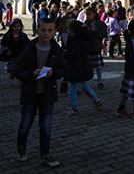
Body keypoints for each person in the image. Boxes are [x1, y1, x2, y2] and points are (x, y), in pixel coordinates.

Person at [15, 17, 65, 168]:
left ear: (55, 32)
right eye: (43, 30)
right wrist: (31, 74)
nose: (46, 33)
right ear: (37, 30)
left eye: (50, 30)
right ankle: (21, 146)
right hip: (30, 93)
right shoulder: (29, 49)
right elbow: (18, 70)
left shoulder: (56, 50)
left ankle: (45, 155)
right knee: (25, 124)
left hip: (48, 94)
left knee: (45, 126)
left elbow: (62, 70)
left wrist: (53, 72)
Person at [61, 20, 103, 116]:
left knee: (72, 88)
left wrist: (64, 54)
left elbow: (74, 54)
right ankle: (95, 99)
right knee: (84, 84)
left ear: (72, 30)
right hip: (84, 64)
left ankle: (73, 107)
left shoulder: (74, 40)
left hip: (75, 66)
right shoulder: (86, 38)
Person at [84, 7, 108, 90]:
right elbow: (84, 34)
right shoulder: (86, 24)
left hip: (97, 47)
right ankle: (85, 82)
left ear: (94, 14)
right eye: (87, 15)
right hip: (88, 48)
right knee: (87, 66)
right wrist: (90, 30)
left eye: (89, 14)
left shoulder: (100, 24)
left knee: (98, 67)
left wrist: (96, 31)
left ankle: (100, 81)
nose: (88, 16)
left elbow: (103, 34)